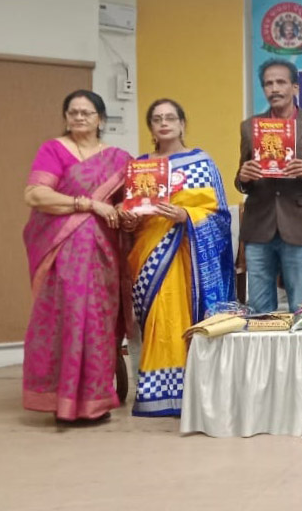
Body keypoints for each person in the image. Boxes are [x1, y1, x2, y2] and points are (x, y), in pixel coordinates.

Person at [119, 99, 235, 417]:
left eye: (170, 117)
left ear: (182, 124)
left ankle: (194, 391)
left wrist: (186, 215)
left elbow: (220, 217)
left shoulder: (201, 162)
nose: (164, 123)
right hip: (148, 256)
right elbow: (133, 215)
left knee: (183, 318)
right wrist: (129, 221)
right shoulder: (140, 167)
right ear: (151, 127)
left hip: (188, 259)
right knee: (157, 319)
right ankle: (157, 392)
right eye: (157, 119)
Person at [21, 90, 132, 423]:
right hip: (62, 253)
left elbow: (130, 202)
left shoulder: (119, 159)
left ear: (101, 119)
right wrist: (87, 204)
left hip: (103, 255)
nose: (79, 117)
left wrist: (122, 212)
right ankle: (63, 402)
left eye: (86, 112)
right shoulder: (53, 149)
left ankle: (95, 402)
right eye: (73, 112)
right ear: (66, 117)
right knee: (66, 319)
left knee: (98, 322)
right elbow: (36, 194)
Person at [236, 58, 302, 313]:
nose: (274, 89)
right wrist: (243, 177)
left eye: (280, 82)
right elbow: (241, 181)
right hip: (258, 227)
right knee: (260, 311)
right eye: (268, 84)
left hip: (300, 228)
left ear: (295, 87)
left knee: (301, 311)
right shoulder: (250, 128)